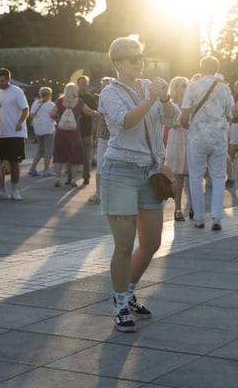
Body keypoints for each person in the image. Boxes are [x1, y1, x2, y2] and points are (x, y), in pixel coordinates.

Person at [98, 36, 177, 332]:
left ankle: (128, 292)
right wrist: (152, 99)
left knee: (153, 241)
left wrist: (166, 98)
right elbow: (126, 121)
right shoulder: (109, 92)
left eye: (141, 56)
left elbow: (173, 119)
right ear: (118, 63)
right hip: (120, 171)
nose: (139, 62)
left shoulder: (150, 87)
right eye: (132, 58)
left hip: (149, 172)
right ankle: (120, 304)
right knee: (123, 244)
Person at [180, 56, 234, 231]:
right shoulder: (224, 88)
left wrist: (185, 124)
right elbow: (230, 112)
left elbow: (185, 112)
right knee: (218, 177)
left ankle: (199, 218)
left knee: (195, 177)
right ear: (216, 69)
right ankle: (217, 217)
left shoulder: (193, 86)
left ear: (201, 67)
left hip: (198, 136)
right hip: (218, 137)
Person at [52, 83, 98, 187]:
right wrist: (98, 113)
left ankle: (58, 177)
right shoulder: (79, 102)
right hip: (74, 133)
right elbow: (90, 112)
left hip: (61, 133)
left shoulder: (59, 101)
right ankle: (73, 179)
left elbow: (52, 114)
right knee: (74, 156)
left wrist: (59, 117)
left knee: (58, 155)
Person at [0, 68, 29, 201]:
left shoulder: (17, 91)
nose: (0, 83)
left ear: (8, 79)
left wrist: (20, 122)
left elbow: (26, 109)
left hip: (15, 132)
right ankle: (1, 188)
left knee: (14, 162)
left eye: (2, 81)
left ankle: (15, 190)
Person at [163, 76, 190, 219]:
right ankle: (177, 208)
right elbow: (168, 123)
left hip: (190, 140)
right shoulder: (171, 105)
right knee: (178, 177)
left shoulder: (191, 104)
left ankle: (193, 206)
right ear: (175, 88)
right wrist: (183, 121)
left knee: (193, 176)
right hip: (176, 140)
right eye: (183, 85)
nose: (186, 88)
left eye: (186, 85)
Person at [89, 77, 113, 205]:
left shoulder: (116, 99)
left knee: (112, 168)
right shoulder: (101, 99)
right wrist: (97, 137)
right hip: (104, 137)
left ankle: (109, 194)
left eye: (107, 85)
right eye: (102, 85)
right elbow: (100, 120)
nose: (104, 88)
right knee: (100, 166)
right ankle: (98, 192)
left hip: (115, 139)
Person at [27, 87, 56, 178]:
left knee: (40, 149)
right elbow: (53, 115)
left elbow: (31, 115)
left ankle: (33, 168)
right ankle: (46, 170)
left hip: (38, 128)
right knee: (49, 149)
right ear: (49, 95)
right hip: (48, 128)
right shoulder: (51, 104)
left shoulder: (35, 103)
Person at [77, 76, 99, 185]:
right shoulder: (73, 96)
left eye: (85, 83)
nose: (84, 84)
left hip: (87, 129)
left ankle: (86, 176)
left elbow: (95, 112)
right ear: (77, 84)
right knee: (73, 154)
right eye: (82, 82)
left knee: (87, 155)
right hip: (73, 129)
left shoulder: (90, 98)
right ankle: (70, 177)